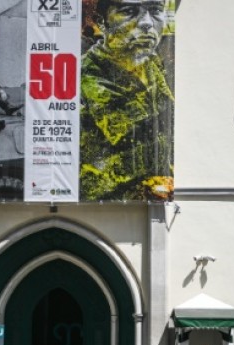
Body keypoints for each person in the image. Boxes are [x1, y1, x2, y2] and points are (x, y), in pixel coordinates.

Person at [79, 0, 174, 201]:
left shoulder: (149, 61)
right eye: (129, 11)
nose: (146, 23)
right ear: (101, 22)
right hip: (109, 198)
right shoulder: (89, 73)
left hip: (152, 188)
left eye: (156, 10)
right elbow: (135, 132)